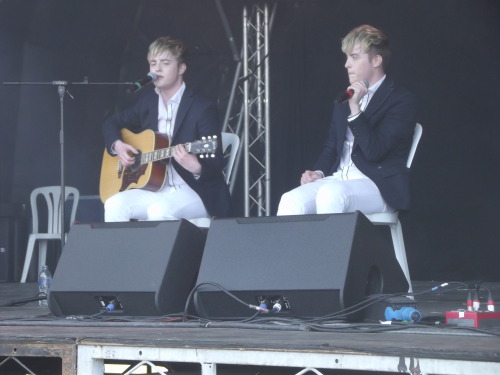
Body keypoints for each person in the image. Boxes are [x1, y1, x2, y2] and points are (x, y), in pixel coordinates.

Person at [277, 25, 416, 216]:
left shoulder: (399, 99)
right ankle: (297, 248)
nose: (347, 64)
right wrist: (319, 173)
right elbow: (331, 147)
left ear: (376, 60)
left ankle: (328, 248)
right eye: (347, 57)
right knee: (291, 200)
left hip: (378, 184)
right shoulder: (344, 99)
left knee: (331, 195)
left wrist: (356, 109)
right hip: (339, 179)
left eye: (355, 57)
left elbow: (375, 151)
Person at [102, 36, 231, 222]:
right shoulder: (147, 102)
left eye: (165, 62)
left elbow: (217, 160)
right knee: (115, 204)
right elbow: (110, 122)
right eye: (153, 63)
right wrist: (118, 145)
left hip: (194, 190)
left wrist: (197, 168)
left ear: (181, 68)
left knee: (159, 211)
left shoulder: (202, 108)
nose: (157, 69)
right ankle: (121, 252)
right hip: (155, 187)